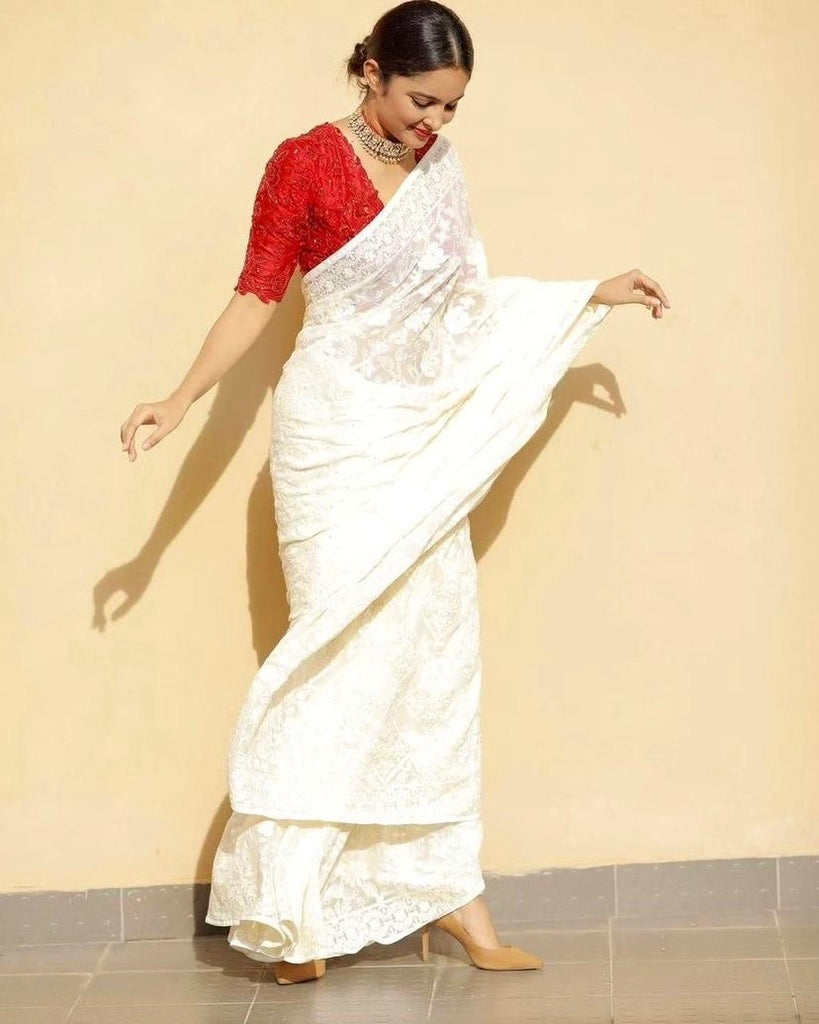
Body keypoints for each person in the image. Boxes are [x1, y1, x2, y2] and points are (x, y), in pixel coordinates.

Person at [119, 0, 670, 987]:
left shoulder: (440, 170)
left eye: (452, 108)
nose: (435, 124)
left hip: (417, 442)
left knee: (431, 662)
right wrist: (178, 397)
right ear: (371, 71)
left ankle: (451, 895)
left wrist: (587, 293)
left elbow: (463, 306)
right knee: (335, 662)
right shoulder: (303, 162)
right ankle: (293, 909)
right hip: (334, 439)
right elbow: (256, 293)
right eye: (422, 101)